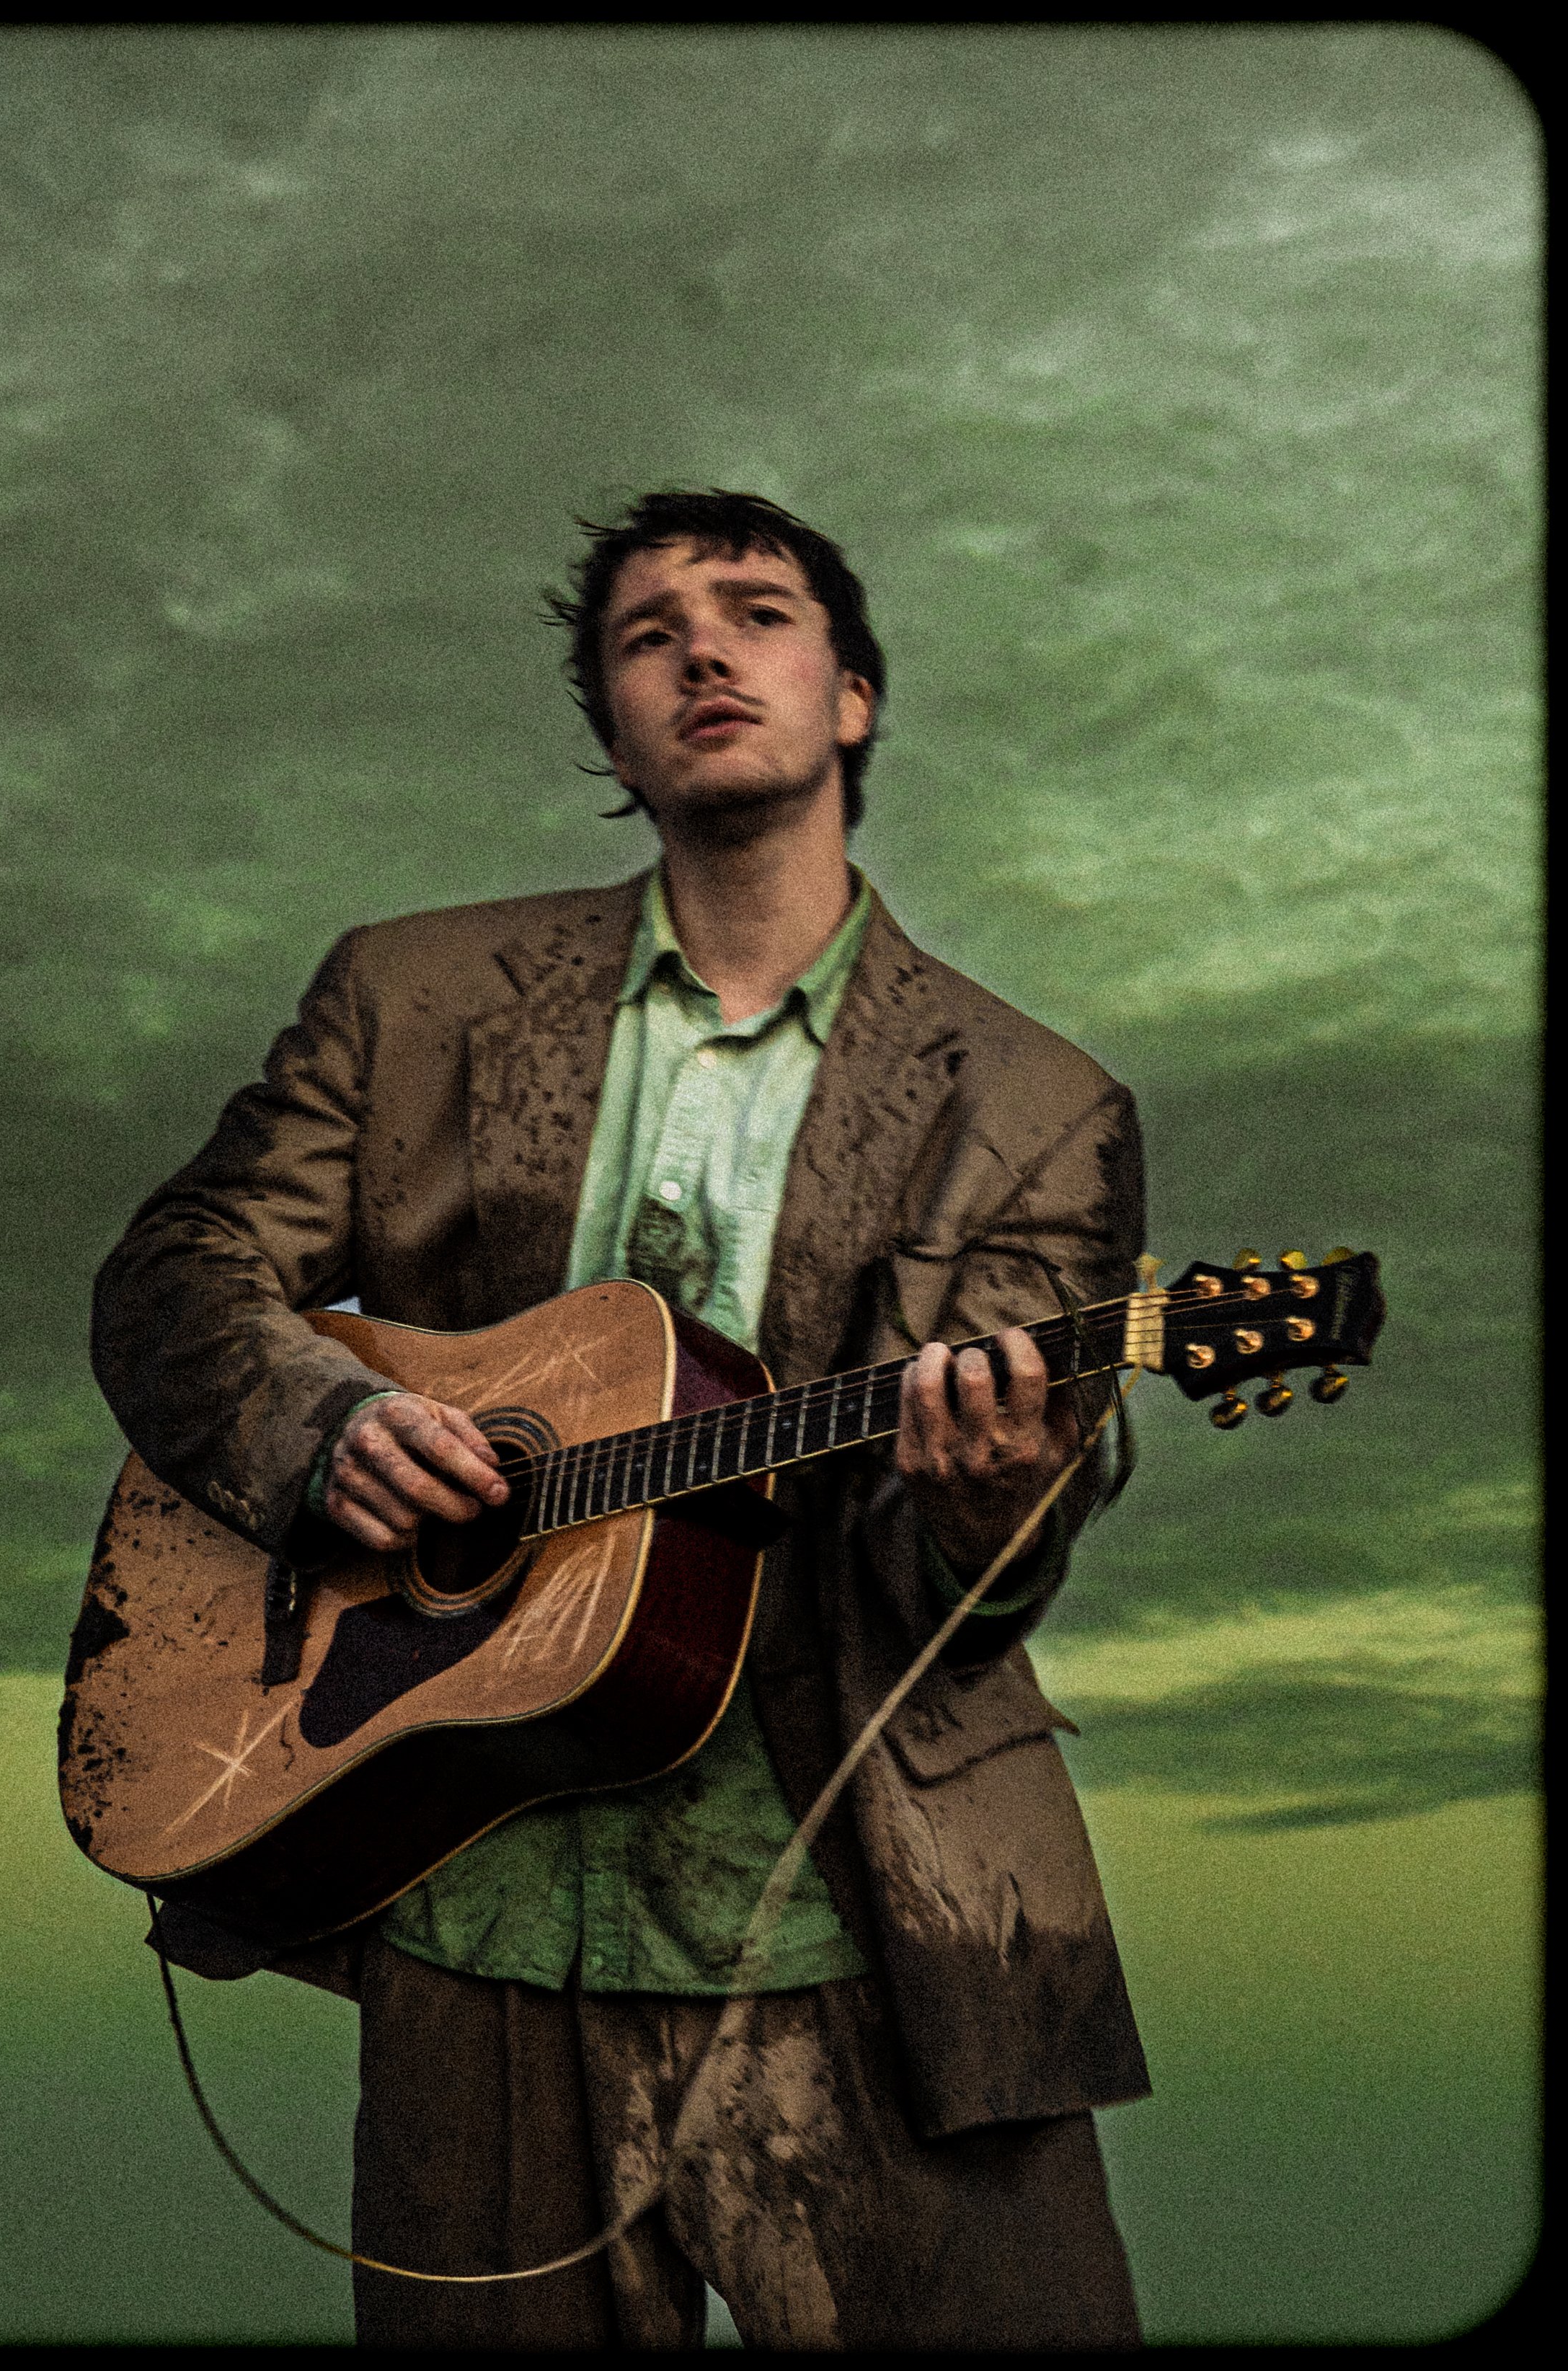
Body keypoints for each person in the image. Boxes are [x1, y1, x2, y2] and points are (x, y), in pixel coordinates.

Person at [91, 489, 1149, 2350]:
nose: (703, 650)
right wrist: (321, 1425)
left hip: (861, 1928)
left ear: (853, 697)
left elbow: (963, 1596)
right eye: (647, 632)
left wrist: (988, 1507)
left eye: (755, 612)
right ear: (609, 728)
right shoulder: (408, 995)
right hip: (466, 1899)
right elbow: (178, 1271)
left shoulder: (1036, 1104)